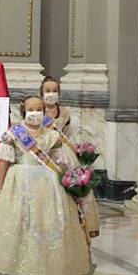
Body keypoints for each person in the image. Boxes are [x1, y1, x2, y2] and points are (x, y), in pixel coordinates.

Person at [0, 95, 94, 275]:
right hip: (17, 184)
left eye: (39, 109)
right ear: (23, 111)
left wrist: (70, 178)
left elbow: (59, 161)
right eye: (31, 109)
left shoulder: (52, 136)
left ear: (44, 112)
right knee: (19, 227)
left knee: (43, 227)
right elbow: (3, 163)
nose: (35, 113)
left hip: (49, 187)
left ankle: (39, 274)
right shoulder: (13, 134)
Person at [40, 76, 100, 240]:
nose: (51, 94)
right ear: (41, 93)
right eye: (47, 91)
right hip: (46, 153)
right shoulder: (39, 112)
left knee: (72, 185)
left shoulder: (64, 113)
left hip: (65, 153)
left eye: (54, 91)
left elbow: (67, 134)